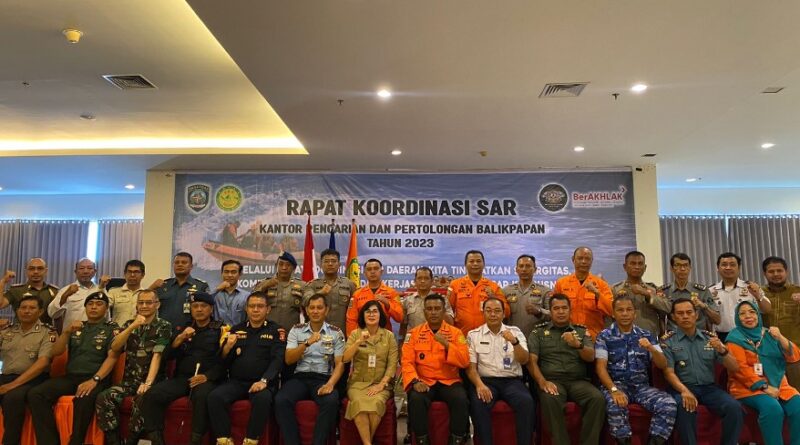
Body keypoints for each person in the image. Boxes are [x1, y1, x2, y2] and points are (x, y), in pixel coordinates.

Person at [28, 292, 120, 445]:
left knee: (83, 399)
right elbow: (56, 352)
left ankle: (76, 442)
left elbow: (113, 357)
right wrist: (65, 332)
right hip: (71, 378)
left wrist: (94, 380)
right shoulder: (77, 327)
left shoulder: (112, 329)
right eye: (90, 304)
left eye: (99, 304)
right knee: (36, 394)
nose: (94, 307)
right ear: (85, 307)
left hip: (96, 379)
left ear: (106, 309)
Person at [138, 292, 226, 445]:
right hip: (182, 378)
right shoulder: (183, 328)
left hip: (206, 379)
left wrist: (207, 377)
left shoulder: (220, 330)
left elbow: (225, 361)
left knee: (202, 396)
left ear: (211, 309)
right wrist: (179, 338)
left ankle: (196, 440)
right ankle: (157, 440)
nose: (199, 309)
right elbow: (167, 356)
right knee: (152, 395)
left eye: (203, 306)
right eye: (195, 306)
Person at [595, 294, 677, 445]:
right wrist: (614, 390)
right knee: (615, 404)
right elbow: (600, 368)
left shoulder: (646, 335)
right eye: (620, 310)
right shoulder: (604, 336)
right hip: (616, 385)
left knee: (668, 403)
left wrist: (651, 348)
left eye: (629, 310)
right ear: (613, 313)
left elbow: (662, 364)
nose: (625, 313)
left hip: (641, 387)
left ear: (635, 313)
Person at [661, 298, 742, 445]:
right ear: (673, 317)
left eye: (689, 312)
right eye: (680, 313)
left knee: (734, 407)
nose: (685, 316)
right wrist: (684, 391)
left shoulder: (709, 338)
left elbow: (734, 367)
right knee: (685, 407)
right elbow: (668, 373)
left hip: (709, 388)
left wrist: (722, 350)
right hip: (682, 387)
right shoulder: (668, 341)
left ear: (696, 314)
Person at [95, 289, 172, 445]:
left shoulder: (164, 326)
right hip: (129, 381)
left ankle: (131, 440)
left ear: (157, 305)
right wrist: (132, 326)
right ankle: (114, 441)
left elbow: (157, 355)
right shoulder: (129, 324)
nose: (144, 306)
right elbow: (115, 347)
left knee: (142, 400)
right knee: (104, 397)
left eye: (148, 302)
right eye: (141, 302)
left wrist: (148, 383)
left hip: (153, 382)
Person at [209, 291, 286, 445]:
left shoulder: (277, 331)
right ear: (246, 309)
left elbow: (278, 360)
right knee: (215, 397)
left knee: (263, 399)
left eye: (260, 306)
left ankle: (251, 440)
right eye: (252, 306)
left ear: (268, 309)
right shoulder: (236, 329)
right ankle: (224, 440)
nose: (255, 310)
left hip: (262, 383)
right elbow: (223, 362)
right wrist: (227, 348)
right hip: (237, 382)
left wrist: (264, 381)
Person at [527, 294, 606, 445]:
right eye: (556, 308)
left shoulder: (581, 331)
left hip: (578, 381)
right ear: (550, 311)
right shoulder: (538, 332)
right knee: (550, 399)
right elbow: (531, 361)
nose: (561, 312)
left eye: (564, 308)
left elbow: (590, 357)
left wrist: (578, 345)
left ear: (570, 310)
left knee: (597, 398)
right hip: (552, 380)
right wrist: (542, 382)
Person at [726, 300, 800, 445]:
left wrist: (780, 337)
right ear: (737, 318)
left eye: (752, 312)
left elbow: (795, 356)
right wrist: (765, 387)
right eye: (742, 314)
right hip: (747, 388)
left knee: (798, 406)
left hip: (779, 385)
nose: (748, 316)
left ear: (758, 315)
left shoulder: (769, 334)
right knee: (773, 409)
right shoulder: (733, 339)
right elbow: (740, 370)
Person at [275, 293, 345, 445]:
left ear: (327, 310)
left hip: (323, 379)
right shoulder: (296, 330)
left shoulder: (336, 333)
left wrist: (330, 384)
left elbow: (340, 363)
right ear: (306, 310)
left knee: (331, 401)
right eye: (312, 308)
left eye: (319, 308)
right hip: (300, 377)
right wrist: (306, 343)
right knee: (281, 400)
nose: (315, 311)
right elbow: (289, 359)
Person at [402, 294, 470, 445]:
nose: (433, 312)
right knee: (416, 399)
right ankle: (421, 441)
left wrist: (447, 344)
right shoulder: (413, 334)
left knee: (460, 398)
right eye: (430, 309)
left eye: (437, 308)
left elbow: (465, 361)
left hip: (449, 381)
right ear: (424, 312)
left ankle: (457, 440)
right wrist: (415, 382)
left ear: (444, 311)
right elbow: (407, 362)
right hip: (424, 381)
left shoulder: (456, 333)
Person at [466, 297, 533, 445]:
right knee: (478, 403)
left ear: (503, 314)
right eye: (488, 311)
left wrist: (514, 342)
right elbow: (471, 368)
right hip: (486, 381)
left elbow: (524, 360)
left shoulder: (515, 332)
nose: (493, 314)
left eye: (497, 311)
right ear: (483, 313)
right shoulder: (474, 335)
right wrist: (479, 385)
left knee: (526, 402)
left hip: (512, 382)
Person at [0, 295, 55, 445]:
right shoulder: (7, 331)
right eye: (23, 308)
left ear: (40, 311)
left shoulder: (48, 332)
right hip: (6, 376)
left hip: (33, 379)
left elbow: (43, 362)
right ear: (17, 311)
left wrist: (11, 386)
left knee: (12, 398)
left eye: (32, 308)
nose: (26, 311)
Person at [342, 300, 398, 445]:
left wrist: (382, 384)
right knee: (358, 403)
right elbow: (345, 358)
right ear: (363, 315)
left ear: (380, 315)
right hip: (357, 384)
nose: (371, 314)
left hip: (381, 384)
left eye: (375, 311)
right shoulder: (355, 334)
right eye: (368, 311)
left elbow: (392, 364)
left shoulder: (389, 336)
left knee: (377, 403)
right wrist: (358, 342)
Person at [709, 252, 771, 341]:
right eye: (724, 265)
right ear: (718, 268)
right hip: (721, 336)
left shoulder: (751, 287)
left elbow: (767, 309)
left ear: (739, 268)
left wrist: (758, 296)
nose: (728, 267)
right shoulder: (711, 291)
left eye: (732, 265)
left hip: (747, 335)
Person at [554, 247, 613, 338]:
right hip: (567, 335)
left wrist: (597, 293)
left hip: (593, 336)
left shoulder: (601, 284)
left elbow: (611, 311)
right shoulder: (561, 283)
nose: (583, 262)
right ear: (573, 259)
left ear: (592, 261)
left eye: (587, 259)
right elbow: (554, 311)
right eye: (580, 258)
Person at [761, 255, 800, 389]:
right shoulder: (759, 294)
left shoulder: (797, 291)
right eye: (771, 271)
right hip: (768, 352)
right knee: (773, 390)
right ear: (765, 273)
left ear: (786, 271)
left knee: (796, 390)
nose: (776, 274)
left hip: (794, 351)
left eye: (779, 270)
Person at [447, 250, 508, 335]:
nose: (475, 264)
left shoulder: (493, 286)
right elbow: (448, 311)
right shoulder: (455, 285)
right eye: (471, 261)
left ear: (483, 264)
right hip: (461, 334)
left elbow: (506, 311)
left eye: (478, 261)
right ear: (465, 264)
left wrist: (494, 298)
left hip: (486, 335)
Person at [657, 253, 721, 332]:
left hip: (699, 335)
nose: (682, 269)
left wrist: (704, 306)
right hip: (674, 336)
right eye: (678, 265)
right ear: (671, 268)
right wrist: (663, 337)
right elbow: (661, 318)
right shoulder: (664, 291)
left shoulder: (702, 291)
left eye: (685, 265)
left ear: (690, 268)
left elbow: (717, 320)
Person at [611, 251, 669, 336]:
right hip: (621, 338)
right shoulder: (615, 289)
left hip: (649, 338)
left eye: (640, 264)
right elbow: (609, 316)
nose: (637, 267)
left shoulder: (653, 289)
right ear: (625, 267)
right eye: (633, 263)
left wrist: (647, 294)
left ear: (645, 268)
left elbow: (667, 307)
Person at [152, 251, 209, 329]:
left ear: (191, 266)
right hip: (163, 331)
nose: (180, 264)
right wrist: (151, 288)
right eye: (177, 262)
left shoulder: (201, 286)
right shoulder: (163, 285)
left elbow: (207, 312)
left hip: (190, 332)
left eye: (184, 262)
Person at [346, 258, 403, 336]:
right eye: (369, 269)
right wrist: (353, 339)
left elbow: (399, 318)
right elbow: (351, 320)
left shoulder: (391, 292)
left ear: (381, 271)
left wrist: (387, 303)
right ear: (365, 273)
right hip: (362, 337)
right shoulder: (357, 294)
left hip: (384, 338)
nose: (372, 272)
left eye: (376, 268)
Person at [303, 249, 356, 331]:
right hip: (318, 332)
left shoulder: (349, 284)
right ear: (321, 265)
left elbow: (355, 308)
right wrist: (320, 293)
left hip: (342, 332)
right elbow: (305, 302)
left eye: (333, 261)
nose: (330, 264)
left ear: (339, 264)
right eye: (326, 261)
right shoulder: (313, 285)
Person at [47, 258, 105, 332]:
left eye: (89, 268)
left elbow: (107, 314)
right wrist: (65, 296)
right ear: (75, 272)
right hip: (72, 335)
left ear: (95, 272)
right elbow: (52, 313)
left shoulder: (100, 290)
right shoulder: (66, 290)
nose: (85, 271)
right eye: (81, 268)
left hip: (96, 334)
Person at [253, 251, 306, 331]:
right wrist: (265, 286)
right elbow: (251, 302)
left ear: (294, 268)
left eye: (288, 265)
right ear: (276, 266)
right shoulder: (265, 283)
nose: (284, 268)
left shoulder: (302, 285)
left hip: (292, 332)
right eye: (281, 264)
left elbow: (309, 310)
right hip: (267, 332)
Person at [503, 254, 551, 338]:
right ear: (516, 269)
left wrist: (539, 311)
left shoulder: (545, 291)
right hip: (512, 338)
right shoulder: (506, 291)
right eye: (521, 266)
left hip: (537, 339)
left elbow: (552, 315)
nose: (524, 269)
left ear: (535, 269)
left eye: (528, 266)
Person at [0, 258, 59, 324]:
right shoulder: (17, 290)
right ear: (26, 271)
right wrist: (3, 282)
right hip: (21, 329)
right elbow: (1, 304)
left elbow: (58, 315)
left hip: (45, 330)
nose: (36, 272)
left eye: (40, 268)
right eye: (32, 269)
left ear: (46, 271)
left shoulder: (54, 291)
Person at [107, 259, 147, 326]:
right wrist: (101, 287)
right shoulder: (113, 292)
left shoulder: (146, 294)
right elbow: (103, 306)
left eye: (136, 272)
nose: (132, 275)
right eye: (129, 272)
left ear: (142, 275)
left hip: (139, 330)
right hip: (119, 330)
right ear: (125, 274)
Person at [212, 259, 248, 326]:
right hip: (216, 331)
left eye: (233, 272)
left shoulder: (246, 296)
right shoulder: (214, 294)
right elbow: (204, 304)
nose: (229, 275)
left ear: (240, 274)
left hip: (239, 331)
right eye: (226, 272)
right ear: (221, 273)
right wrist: (217, 289)